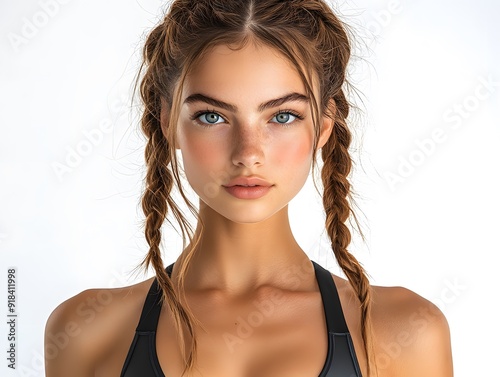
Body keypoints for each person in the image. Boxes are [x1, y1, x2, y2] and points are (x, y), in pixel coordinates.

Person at [44, 0, 453, 376]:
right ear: (169, 122)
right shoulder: (84, 330)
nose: (248, 153)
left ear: (324, 125)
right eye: (211, 117)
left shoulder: (407, 333)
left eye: (283, 116)